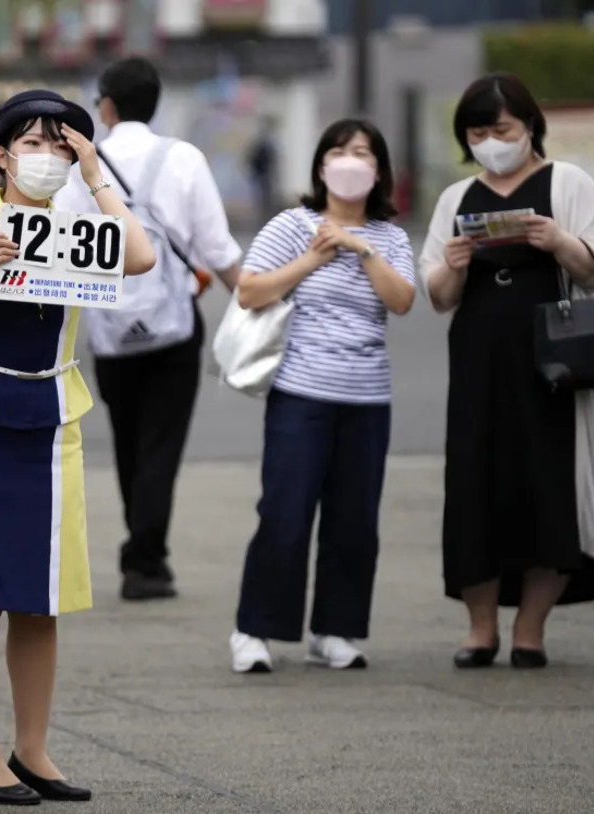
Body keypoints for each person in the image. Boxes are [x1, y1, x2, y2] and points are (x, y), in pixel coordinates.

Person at [0, 89, 155, 805]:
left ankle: (33, 750)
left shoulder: (83, 223)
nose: (48, 156)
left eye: (63, 143)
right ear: (0, 153)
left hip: (54, 422)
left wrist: (95, 176)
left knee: (39, 598)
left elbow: (141, 258)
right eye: (35, 142)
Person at [419, 73, 594, 670]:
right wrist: (456, 264)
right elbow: (436, 293)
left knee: (548, 484)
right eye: (478, 131)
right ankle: (480, 628)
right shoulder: (457, 197)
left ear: (530, 126)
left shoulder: (566, 182)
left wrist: (557, 240)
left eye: (502, 129)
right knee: (473, 487)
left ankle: (531, 631)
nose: (491, 140)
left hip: (552, 363)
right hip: (479, 361)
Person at [227, 119, 416, 674]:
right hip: (301, 394)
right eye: (339, 151)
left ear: (379, 170)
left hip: (368, 397)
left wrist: (360, 249)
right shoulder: (293, 224)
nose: (350, 161)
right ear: (321, 166)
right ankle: (255, 629)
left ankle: (335, 630)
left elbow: (402, 300)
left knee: (354, 519)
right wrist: (314, 256)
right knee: (284, 512)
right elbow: (248, 289)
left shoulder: (390, 237)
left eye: (362, 153)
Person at [55, 56, 244, 602]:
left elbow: (63, 247)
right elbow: (217, 249)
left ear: (107, 105)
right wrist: (254, 302)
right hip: (175, 329)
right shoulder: (183, 158)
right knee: (162, 446)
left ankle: (143, 552)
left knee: (130, 444)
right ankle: (145, 560)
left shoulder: (78, 169)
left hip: (110, 329)